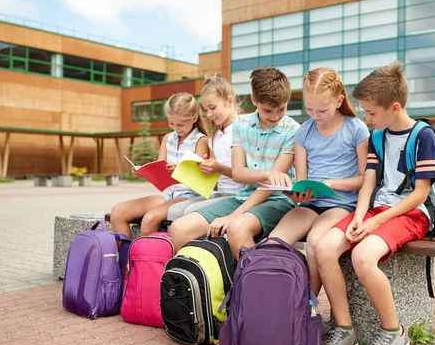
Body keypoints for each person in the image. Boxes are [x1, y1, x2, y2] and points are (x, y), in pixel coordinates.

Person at [315, 61, 435, 345]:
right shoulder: (377, 137)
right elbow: (369, 181)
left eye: (371, 113)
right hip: (376, 210)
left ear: (394, 107)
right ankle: (345, 330)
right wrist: (360, 215)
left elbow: (419, 194)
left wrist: (376, 221)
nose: (367, 119)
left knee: (362, 257)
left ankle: (392, 331)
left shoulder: (424, 136)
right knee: (324, 247)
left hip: (411, 213)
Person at [170, 66, 299, 255]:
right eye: (268, 110)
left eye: (281, 109)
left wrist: (233, 216)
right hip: (243, 197)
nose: (275, 116)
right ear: (254, 100)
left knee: (237, 228)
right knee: (179, 228)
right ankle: (206, 282)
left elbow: (270, 187)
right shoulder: (242, 124)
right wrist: (269, 174)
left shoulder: (293, 129)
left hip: (278, 201)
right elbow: (238, 173)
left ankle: (249, 283)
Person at [268, 67, 369, 296]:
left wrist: (332, 184)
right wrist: (297, 192)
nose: (315, 115)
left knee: (314, 241)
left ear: (339, 100)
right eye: (309, 108)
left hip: (342, 203)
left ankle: (308, 304)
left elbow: (365, 179)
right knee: (273, 242)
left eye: (322, 110)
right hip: (311, 203)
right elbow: (302, 179)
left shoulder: (356, 129)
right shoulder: (303, 132)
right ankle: (280, 298)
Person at [110, 92, 209, 238]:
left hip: (190, 195)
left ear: (194, 118)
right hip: (168, 194)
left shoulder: (201, 141)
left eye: (180, 124)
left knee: (149, 219)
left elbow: (202, 178)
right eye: (171, 123)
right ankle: (126, 259)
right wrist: (144, 172)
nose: (176, 128)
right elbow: (160, 169)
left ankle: (146, 260)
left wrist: (182, 170)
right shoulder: (167, 138)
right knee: (118, 211)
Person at [166, 74, 244, 220]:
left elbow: (245, 175)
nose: (209, 114)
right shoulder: (214, 137)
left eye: (212, 108)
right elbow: (214, 184)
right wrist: (199, 171)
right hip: (219, 194)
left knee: (188, 212)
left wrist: (218, 168)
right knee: (176, 211)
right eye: (205, 109)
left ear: (229, 101)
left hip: (239, 196)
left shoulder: (243, 130)